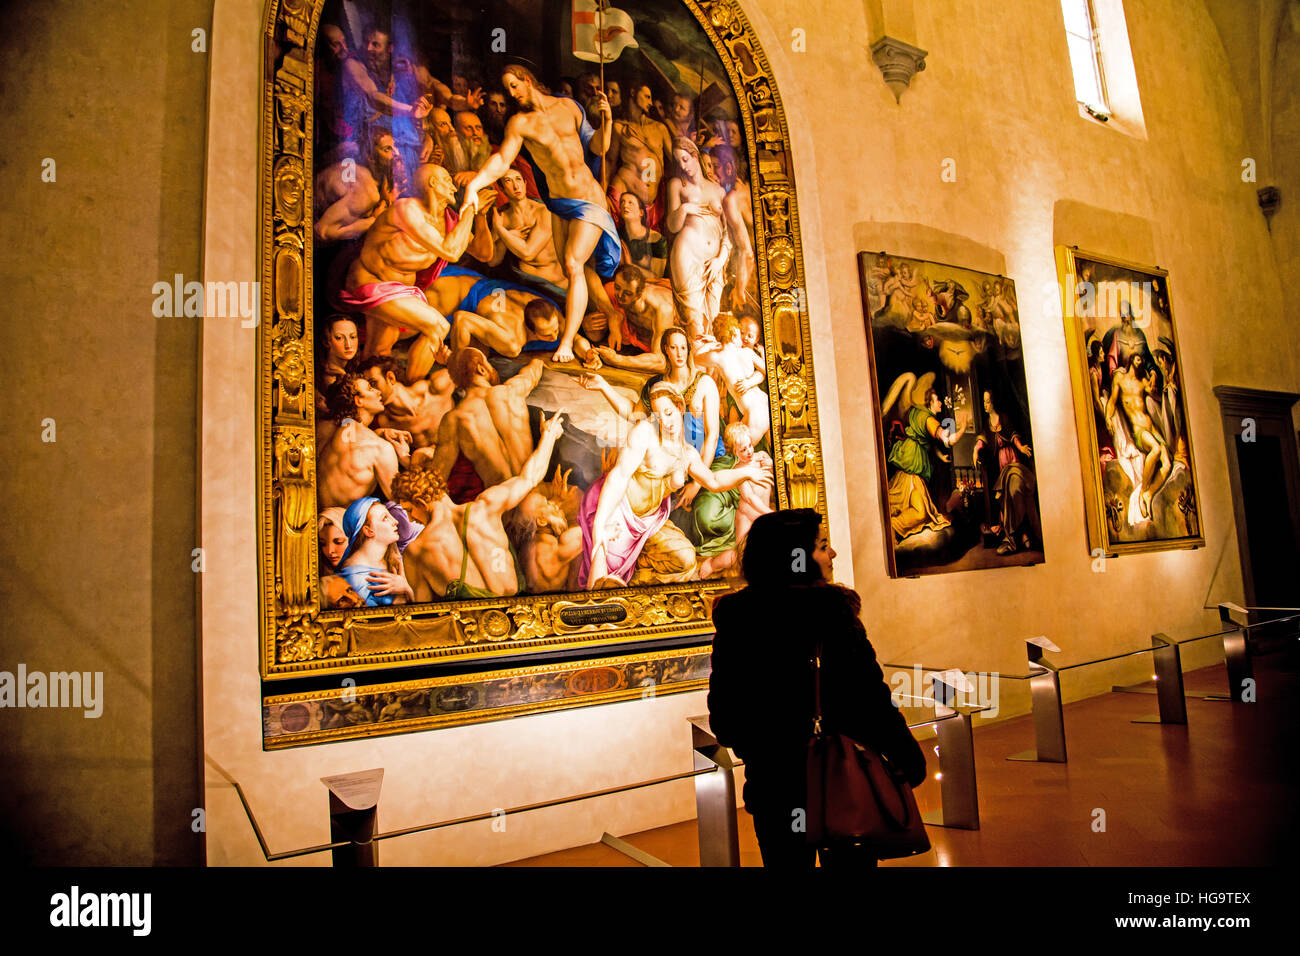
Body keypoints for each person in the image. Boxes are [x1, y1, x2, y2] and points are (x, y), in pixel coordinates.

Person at [708, 508, 927, 867]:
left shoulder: (739, 619)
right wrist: (906, 757)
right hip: (842, 779)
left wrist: (765, 750)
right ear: (796, 557)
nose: (832, 554)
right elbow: (871, 701)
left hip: (775, 787)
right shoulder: (834, 616)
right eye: (823, 546)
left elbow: (726, 718)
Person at [461, 64, 619, 365]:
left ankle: (568, 342)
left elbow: (598, 147)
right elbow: (502, 160)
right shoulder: (520, 124)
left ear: (526, 79)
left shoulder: (568, 107)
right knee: (572, 268)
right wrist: (476, 184)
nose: (512, 93)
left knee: (573, 264)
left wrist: (607, 119)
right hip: (559, 203)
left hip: (588, 198)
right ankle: (598, 320)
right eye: (507, 89)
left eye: (514, 85)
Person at [577, 383, 764, 588]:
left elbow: (714, 481)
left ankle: (641, 572)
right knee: (606, 552)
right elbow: (618, 477)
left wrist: (745, 472)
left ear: (679, 408)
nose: (665, 422)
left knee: (685, 558)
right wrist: (599, 525)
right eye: (659, 416)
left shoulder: (688, 454)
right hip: (617, 508)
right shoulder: (645, 433)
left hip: (649, 522)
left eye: (668, 413)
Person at [339, 163, 478, 382]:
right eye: (447, 181)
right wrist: (470, 208)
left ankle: (365, 396)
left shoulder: (448, 221)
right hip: (370, 282)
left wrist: (482, 216)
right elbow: (451, 251)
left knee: (379, 352)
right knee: (438, 326)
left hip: (402, 292)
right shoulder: (407, 209)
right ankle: (413, 387)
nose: (453, 188)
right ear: (432, 183)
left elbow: (484, 253)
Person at [664, 137, 731, 344]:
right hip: (687, 255)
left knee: (713, 318)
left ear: (694, 156)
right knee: (694, 319)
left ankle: (708, 374)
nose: (683, 166)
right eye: (679, 162)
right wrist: (684, 209)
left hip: (715, 262)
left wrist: (721, 258)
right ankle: (695, 373)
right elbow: (672, 226)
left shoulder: (718, 190)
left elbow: (728, 233)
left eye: (685, 159)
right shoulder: (677, 185)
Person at [972, 390, 1041, 554]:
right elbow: (982, 441)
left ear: (993, 402)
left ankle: (1017, 536)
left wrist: (1021, 447)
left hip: (1013, 462)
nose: (985, 405)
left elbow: (1013, 436)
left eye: (987, 401)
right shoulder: (987, 424)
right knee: (1005, 497)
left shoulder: (1004, 418)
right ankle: (1019, 536)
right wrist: (975, 451)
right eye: (983, 402)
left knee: (1015, 490)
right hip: (1001, 467)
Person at [334, 497, 415, 606]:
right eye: (385, 518)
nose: (395, 521)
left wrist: (407, 589)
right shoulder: (355, 579)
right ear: (368, 531)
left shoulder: (396, 559)